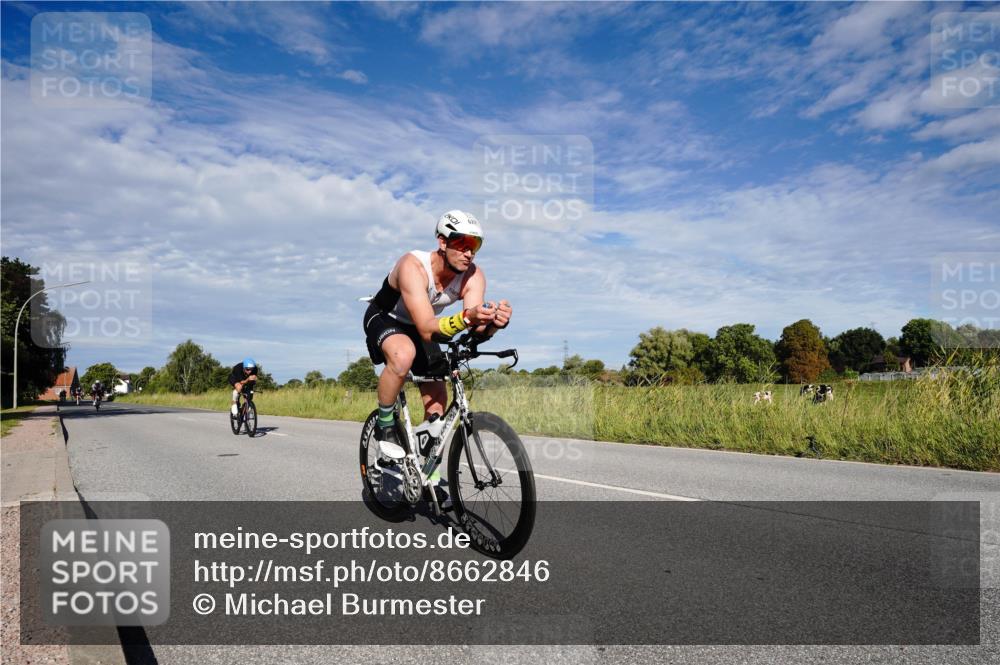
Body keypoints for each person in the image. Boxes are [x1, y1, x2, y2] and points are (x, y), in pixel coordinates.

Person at [362, 210, 512, 500]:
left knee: (437, 401)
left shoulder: (473, 276)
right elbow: (430, 328)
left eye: (476, 245)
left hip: (425, 325)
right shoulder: (412, 266)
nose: (469, 252)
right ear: (442, 242)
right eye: (463, 243)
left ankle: (428, 464)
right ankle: (384, 425)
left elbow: (473, 327)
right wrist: (467, 318)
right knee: (403, 355)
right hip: (386, 317)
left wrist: (492, 325)